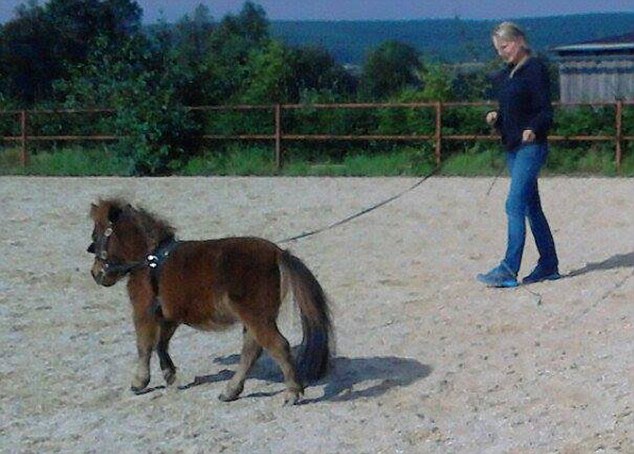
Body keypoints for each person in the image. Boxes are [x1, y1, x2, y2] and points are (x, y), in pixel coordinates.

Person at [477, 22, 560, 288]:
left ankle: (508, 268)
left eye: (506, 46)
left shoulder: (535, 70)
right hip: (513, 148)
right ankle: (549, 264)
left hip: (531, 148)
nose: (502, 52)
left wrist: (534, 129)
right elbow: (512, 113)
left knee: (513, 205)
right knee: (530, 208)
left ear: (520, 41)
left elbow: (544, 111)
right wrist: (497, 118)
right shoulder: (506, 75)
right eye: (499, 49)